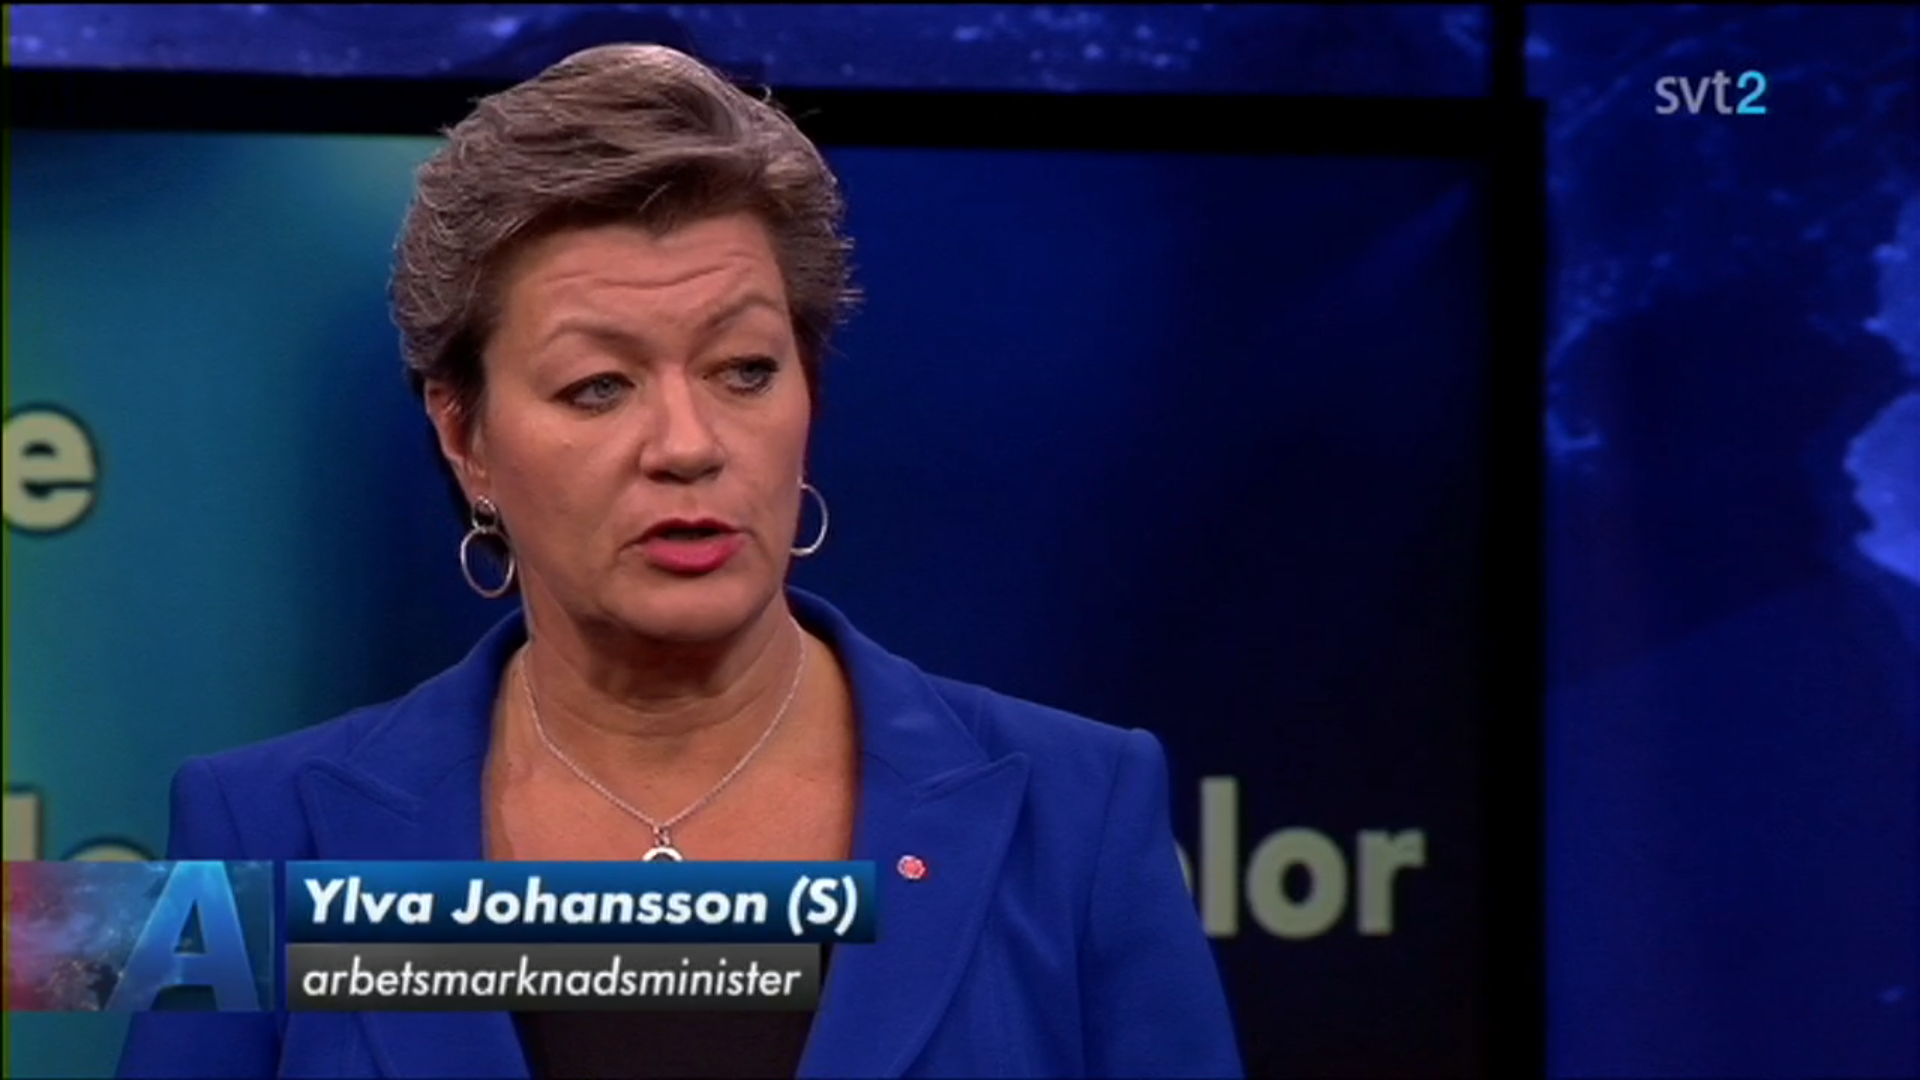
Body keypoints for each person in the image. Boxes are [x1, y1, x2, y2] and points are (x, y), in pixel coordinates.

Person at [117, 43, 1241, 1079]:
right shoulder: (259, 834)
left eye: (743, 370)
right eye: (598, 386)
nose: (689, 445)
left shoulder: (1079, 812)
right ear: (465, 437)